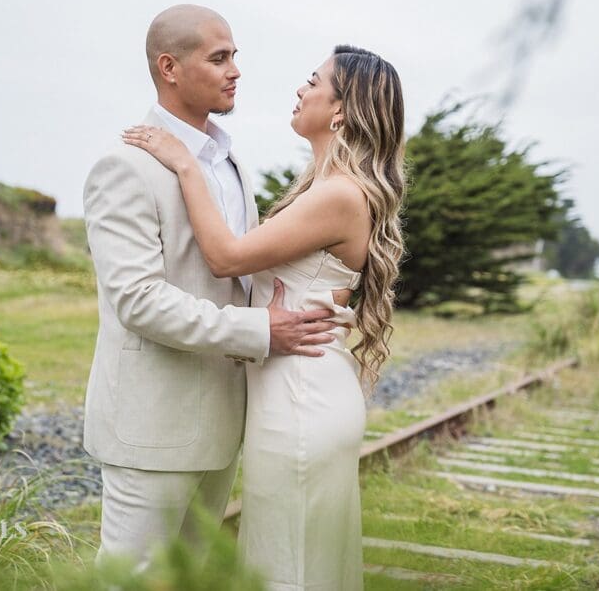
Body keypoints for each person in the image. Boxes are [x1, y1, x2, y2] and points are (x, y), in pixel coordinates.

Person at [122, 43, 406, 590]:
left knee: (288, 565)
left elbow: (227, 256)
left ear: (342, 110)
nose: (301, 89)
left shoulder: (340, 195)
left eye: (313, 80)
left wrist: (184, 162)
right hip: (297, 388)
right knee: (289, 555)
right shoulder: (325, 189)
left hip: (301, 396)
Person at [81, 4, 344, 568]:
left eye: (235, 57)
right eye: (219, 58)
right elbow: (139, 301)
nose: (235, 71)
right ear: (170, 67)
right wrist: (260, 329)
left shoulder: (229, 164)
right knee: (130, 580)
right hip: (153, 424)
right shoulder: (123, 166)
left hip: (225, 422)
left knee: (192, 578)